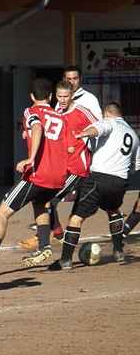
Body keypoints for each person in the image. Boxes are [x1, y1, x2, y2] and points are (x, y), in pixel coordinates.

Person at [0, 78, 68, 274]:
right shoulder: (60, 116)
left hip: (38, 174)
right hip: (58, 177)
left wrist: (31, 158)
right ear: (51, 97)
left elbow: (37, 128)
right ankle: (44, 247)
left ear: (31, 96)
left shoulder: (31, 111)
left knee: (2, 213)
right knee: (40, 204)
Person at [48, 102, 140, 270]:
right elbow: (136, 165)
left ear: (107, 113)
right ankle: (119, 251)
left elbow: (99, 129)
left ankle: (65, 260)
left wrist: (82, 134)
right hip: (120, 181)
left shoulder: (108, 123)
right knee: (113, 210)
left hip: (98, 177)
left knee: (76, 218)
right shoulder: (133, 135)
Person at [18, 81, 99, 251]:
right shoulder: (57, 113)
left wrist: (85, 135)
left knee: (48, 201)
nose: (62, 100)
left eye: (66, 96)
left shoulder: (82, 111)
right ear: (54, 96)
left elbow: (101, 125)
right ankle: (55, 234)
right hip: (62, 166)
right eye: (60, 96)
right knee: (46, 200)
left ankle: (51, 235)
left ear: (72, 96)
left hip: (77, 167)